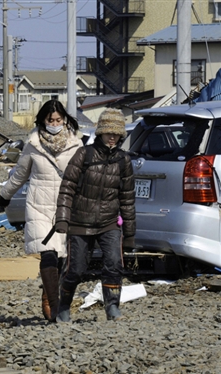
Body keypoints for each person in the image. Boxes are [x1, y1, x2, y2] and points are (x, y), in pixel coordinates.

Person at [0, 99, 82, 323]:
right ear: (43, 120)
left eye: (58, 120)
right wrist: (5, 195)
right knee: (49, 253)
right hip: (39, 206)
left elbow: (84, 175)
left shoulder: (76, 144)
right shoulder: (33, 143)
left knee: (64, 257)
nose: (54, 123)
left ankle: (49, 292)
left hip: (65, 206)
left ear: (64, 120)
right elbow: (20, 174)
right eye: (50, 120)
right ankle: (55, 307)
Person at [54, 108, 136, 322]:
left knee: (114, 263)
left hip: (109, 223)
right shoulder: (84, 154)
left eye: (116, 133)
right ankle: (63, 306)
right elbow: (67, 188)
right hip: (80, 222)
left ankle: (112, 307)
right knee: (77, 269)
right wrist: (62, 218)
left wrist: (129, 234)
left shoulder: (123, 160)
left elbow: (127, 198)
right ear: (100, 133)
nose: (112, 137)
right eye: (108, 132)